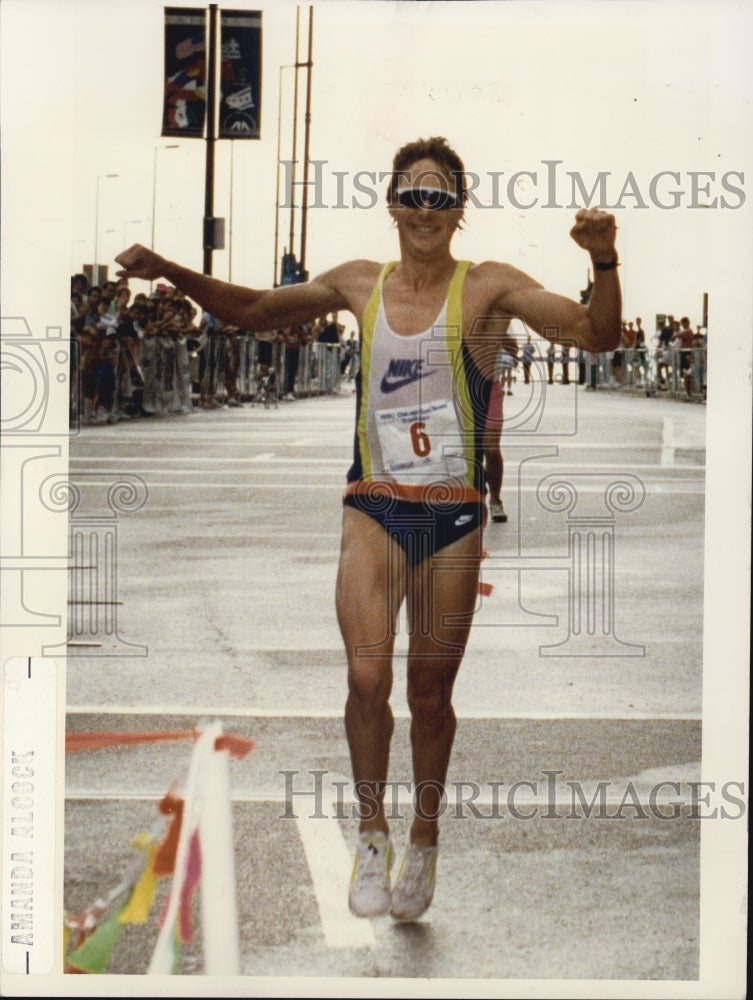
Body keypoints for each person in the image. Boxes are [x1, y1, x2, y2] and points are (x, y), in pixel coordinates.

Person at [115, 135, 621, 922]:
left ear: (459, 208)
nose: (424, 211)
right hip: (374, 506)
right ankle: (373, 834)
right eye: (411, 196)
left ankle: (424, 835)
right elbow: (253, 309)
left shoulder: (488, 287)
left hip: (451, 515)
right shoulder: (359, 283)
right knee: (365, 679)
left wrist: (603, 262)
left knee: (428, 691)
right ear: (391, 205)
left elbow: (595, 335)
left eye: (438, 197)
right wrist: (172, 269)